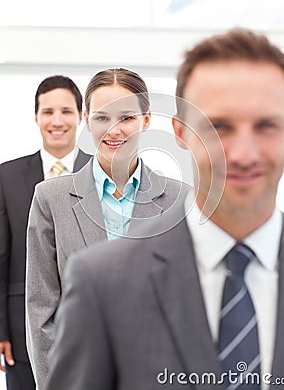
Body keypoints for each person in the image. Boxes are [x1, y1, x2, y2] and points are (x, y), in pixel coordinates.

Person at [46, 29, 284, 390]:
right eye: (219, 126)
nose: (243, 154)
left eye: (265, 126)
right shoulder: (102, 284)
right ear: (180, 132)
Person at [26, 68, 186, 390]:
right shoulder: (50, 199)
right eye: (101, 118)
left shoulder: (179, 200)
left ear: (146, 119)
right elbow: (41, 308)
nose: (114, 130)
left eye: (126, 117)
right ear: (86, 119)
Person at [0, 75, 90, 390]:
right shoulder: (7, 176)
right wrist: (1, 330)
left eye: (66, 111)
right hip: (21, 328)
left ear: (81, 117)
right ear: (36, 117)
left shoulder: (102, 174)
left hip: (92, 324)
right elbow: (1, 255)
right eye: (47, 111)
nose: (57, 120)